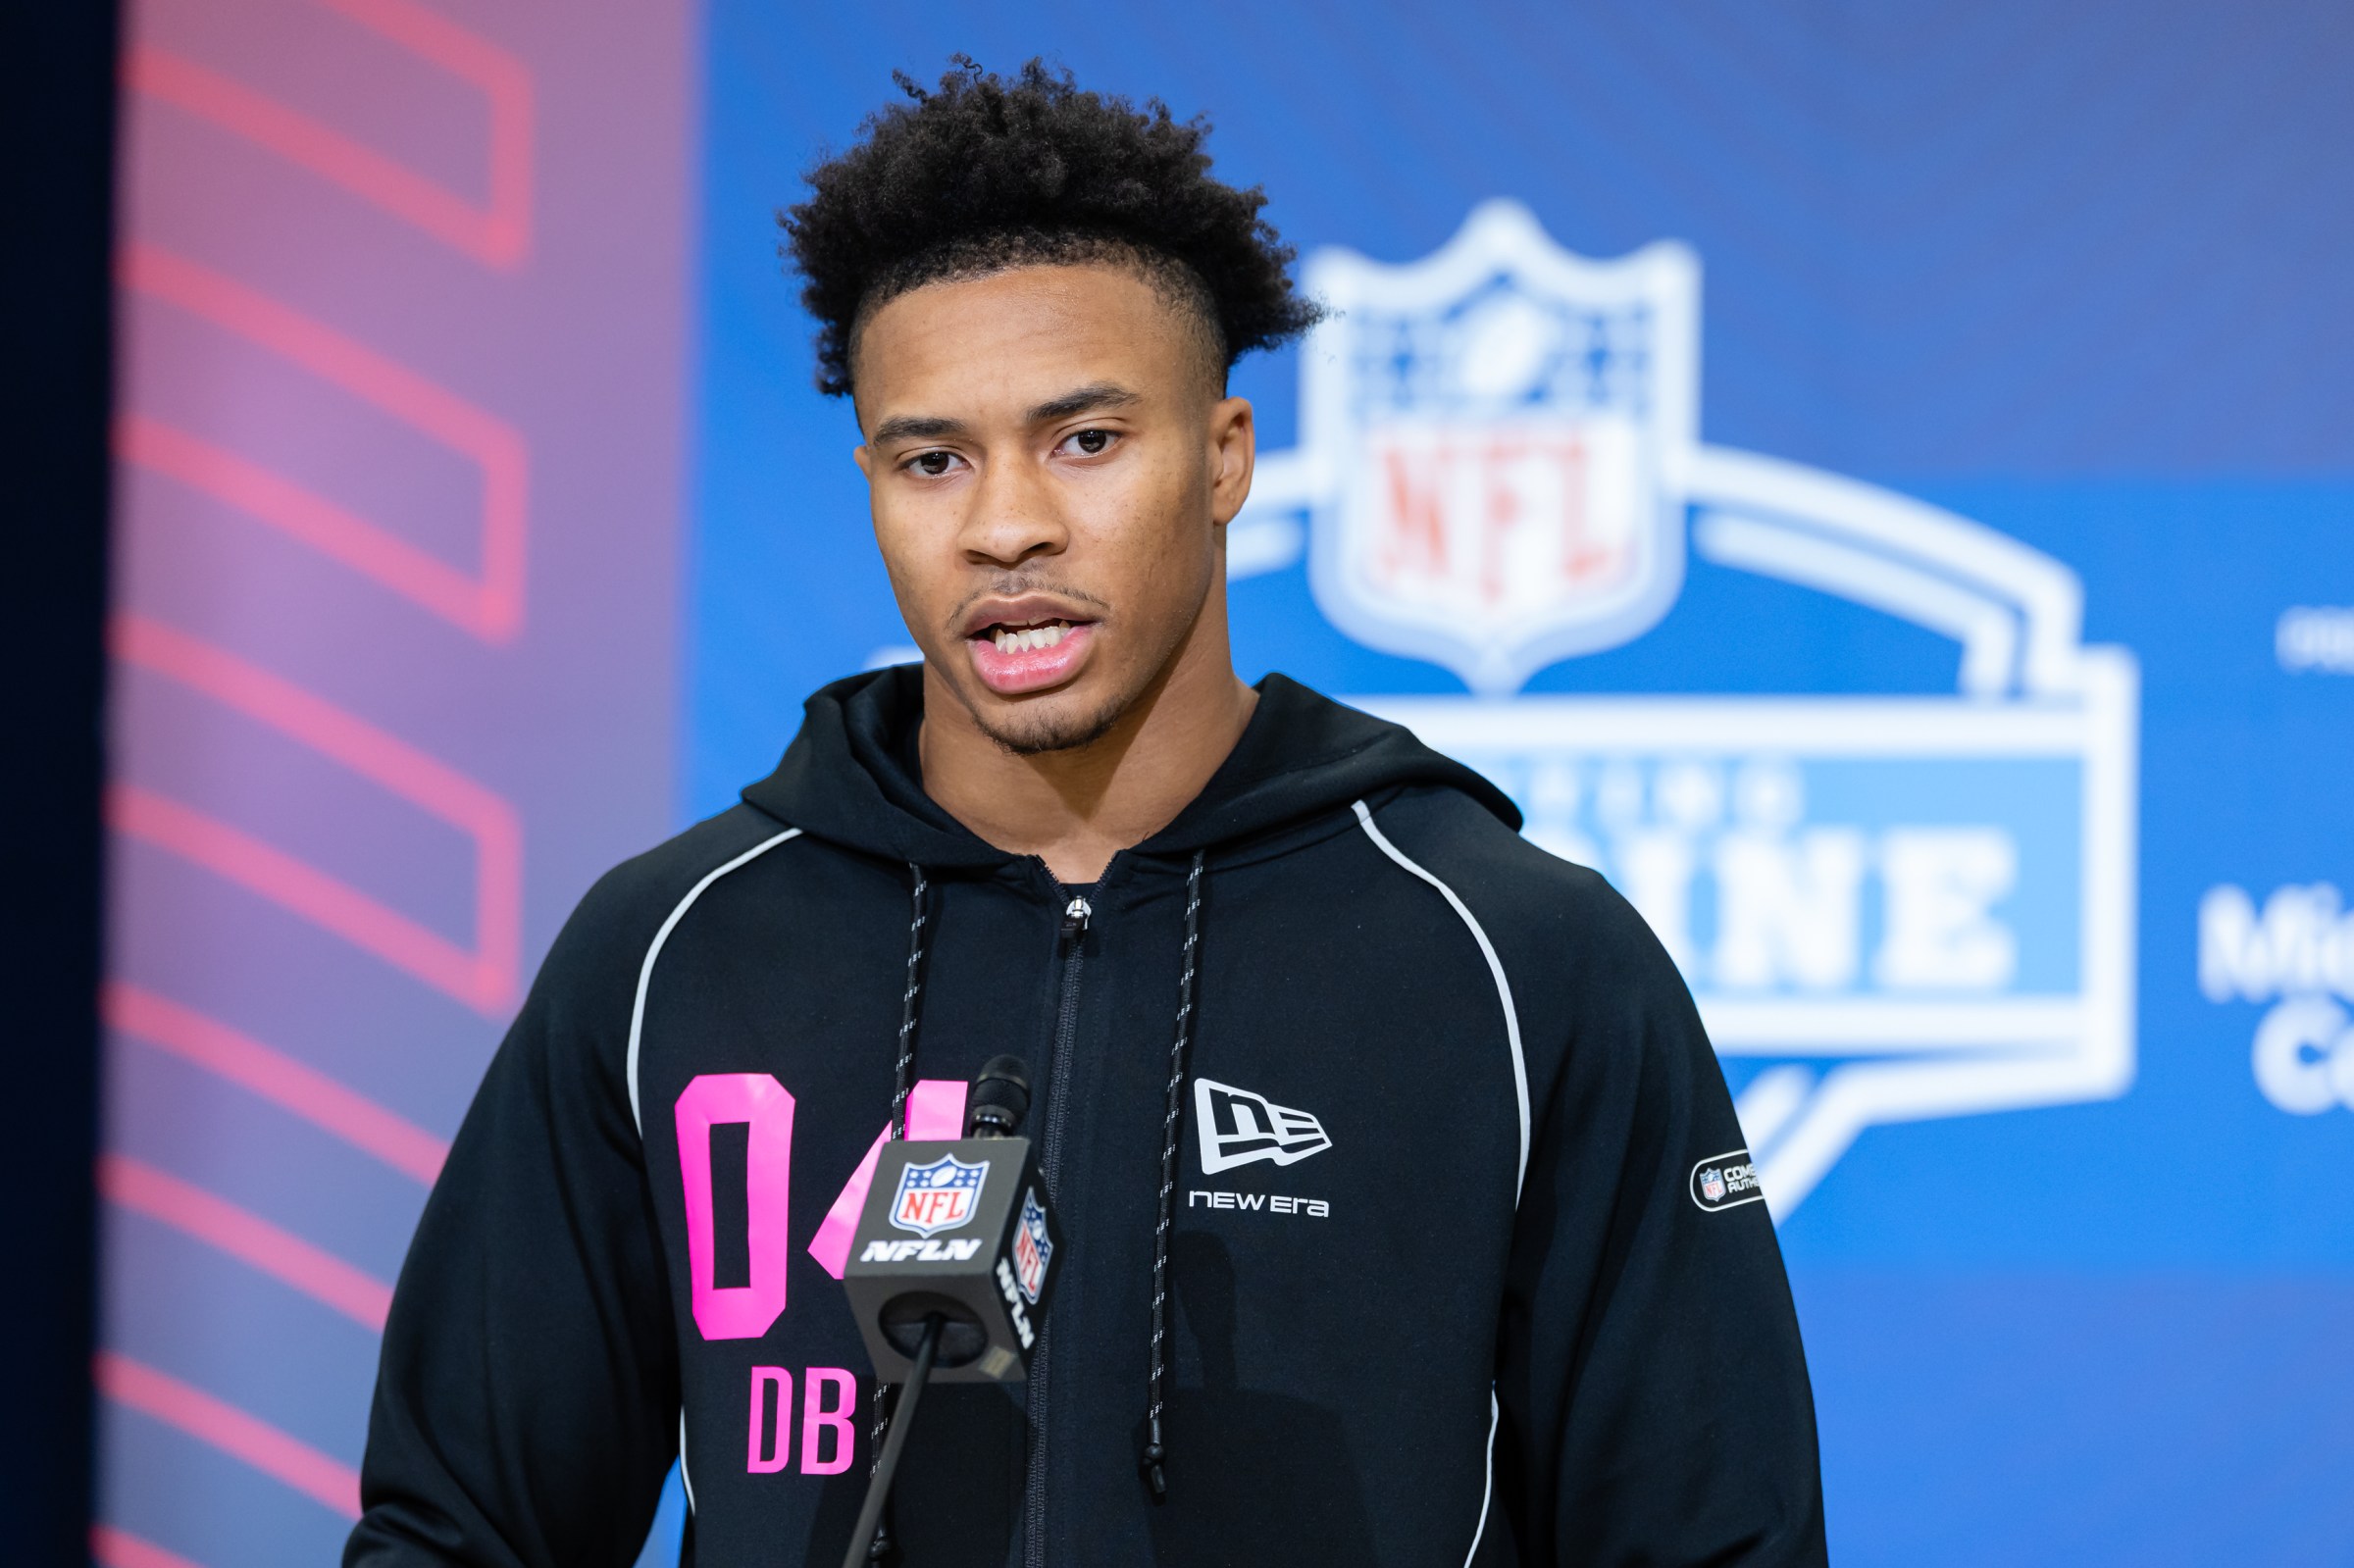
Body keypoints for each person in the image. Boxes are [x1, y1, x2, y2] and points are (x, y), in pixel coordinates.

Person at [347, 59, 1825, 1568]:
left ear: (1225, 457)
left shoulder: (1519, 955)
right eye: (934, 460)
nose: (1006, 527)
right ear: (871, 481)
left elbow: (1714, 1541)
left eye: (1086, 442)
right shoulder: (671, 951)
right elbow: (460, 1532)